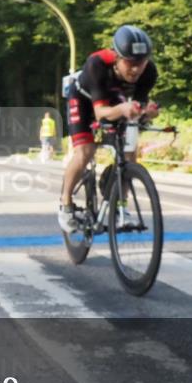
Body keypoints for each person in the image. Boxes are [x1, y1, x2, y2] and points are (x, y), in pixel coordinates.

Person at [58, 25, 159, 234]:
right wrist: (123, 108)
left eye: (140, 63)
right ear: (116, 58)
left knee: (129, 155)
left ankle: (120, 204)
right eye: (130, 63)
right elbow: (101, 113)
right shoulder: (97, 64)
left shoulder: (149, 72)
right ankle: (65, 204)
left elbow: (137, 106)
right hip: (85, 100)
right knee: (86, 151)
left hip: (115, 102)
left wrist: (145, 111)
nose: (136, 70)